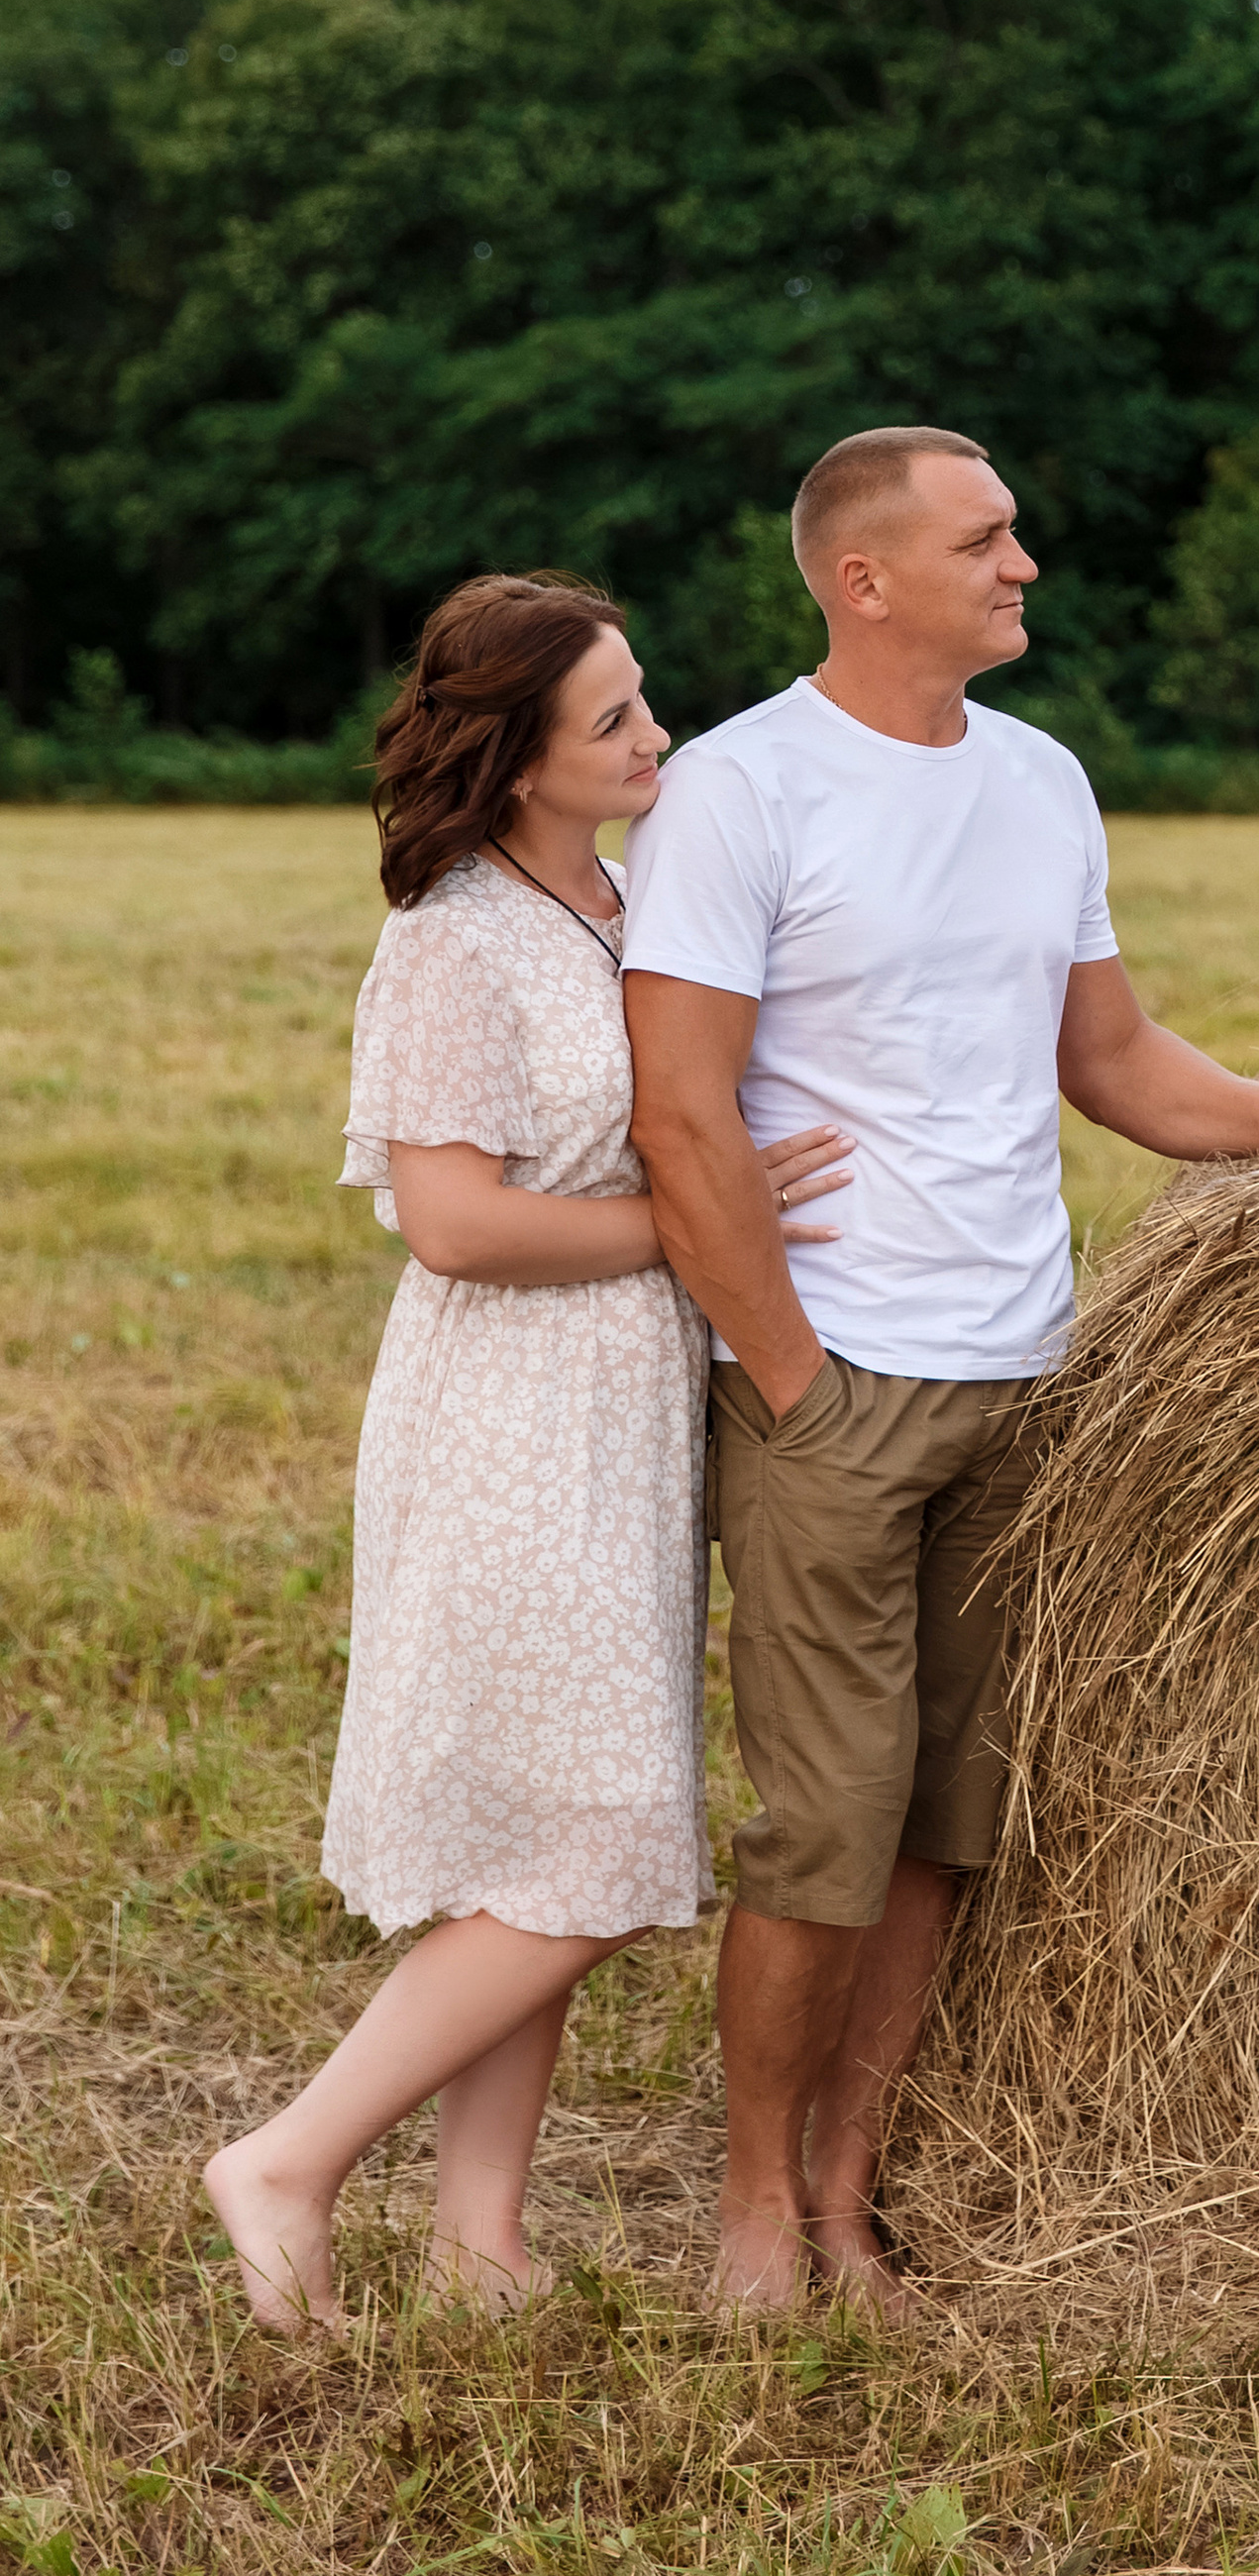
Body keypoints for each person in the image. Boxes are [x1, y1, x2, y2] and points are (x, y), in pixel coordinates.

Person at [620, 425, 1259, 2316]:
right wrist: (789, 1378)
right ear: (866, 580)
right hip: (836, 1381)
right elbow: (681, 1117)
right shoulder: (743, 793)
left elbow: (1118, 1062)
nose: (1027, 566)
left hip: (1029, 1379)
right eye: (986, 540)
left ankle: (851, 2194)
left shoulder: (1042, 781)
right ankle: (753, 2212)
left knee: (948, 1823)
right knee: (822, 1828)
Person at [203, 572, 851, 2332]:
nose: (662, 736)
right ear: (515, 761)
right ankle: (288, 2159)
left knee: (539, 1836)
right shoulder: (456, 939)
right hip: (512, 1413)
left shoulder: (620, 899)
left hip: (622, 1414)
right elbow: (455, 1225)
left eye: (649, 701)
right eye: (619, 721)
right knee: (592, 1838)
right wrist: (697, 1226)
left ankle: (479, 2242)